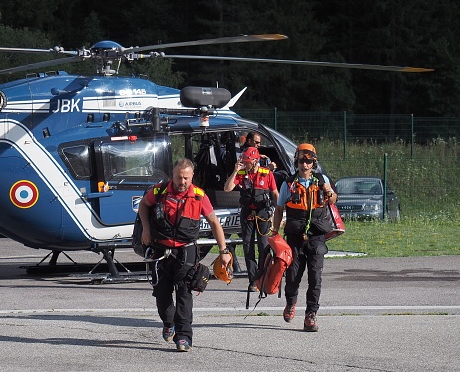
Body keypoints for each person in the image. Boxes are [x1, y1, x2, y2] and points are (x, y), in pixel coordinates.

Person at [138, 158, 232, 352]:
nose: (182, 182)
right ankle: (169, 321)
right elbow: (143, 205)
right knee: (162, 294)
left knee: (184, 293)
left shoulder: (199, 196)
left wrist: (224, 251)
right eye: (179, 177)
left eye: (186, 178)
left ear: (192, 177)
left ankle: (183, 337)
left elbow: (215, 222)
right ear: (172, 176)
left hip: (186, 250)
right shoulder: (159, 191)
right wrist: (146, 230)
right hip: (160, 250)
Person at [271, 143, 338, 332]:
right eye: (301, 160)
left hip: (316, 236)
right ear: (296, 162)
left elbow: (333, 200)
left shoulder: (322, 179)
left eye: (308, 161)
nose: (305, 165)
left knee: (315, 277)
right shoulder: (288, 183)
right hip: (294, 237)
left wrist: (328, 191)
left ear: (313, 162)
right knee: (292, 276)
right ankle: (291, 302)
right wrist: (275, 233)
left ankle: (311, 315)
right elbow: (279, 209)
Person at [223, 147, 279, 292]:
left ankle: (263, 277)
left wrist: (277, 211)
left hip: (263, 214)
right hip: (247, 213)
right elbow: (227, 188)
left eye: (247, 162)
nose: (245, 165)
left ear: (255, 161)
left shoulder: (266, 174)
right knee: (248, 247)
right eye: (244, 162)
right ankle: (253, 280)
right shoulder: (241, 174)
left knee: (263, 247)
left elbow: (275, 194)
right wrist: (235, 171)